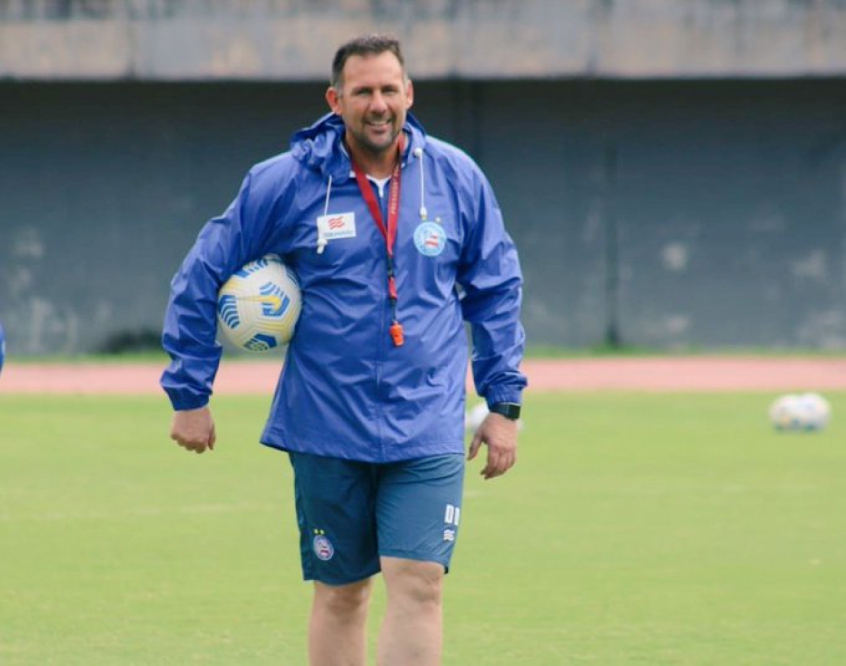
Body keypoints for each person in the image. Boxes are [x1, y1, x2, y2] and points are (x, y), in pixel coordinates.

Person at [161, 34, 526, 666]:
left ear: (409, 93)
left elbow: (496, 290)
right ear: (336, 100)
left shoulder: (456, 178)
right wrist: (190, 393)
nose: (378, 104)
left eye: (390, 89)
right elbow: (201, 274)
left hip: (427, 421)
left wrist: (505, 404)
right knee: (342, 593)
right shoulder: (286, 182)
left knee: (419, 582)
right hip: (327, 424)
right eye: (363, 92)